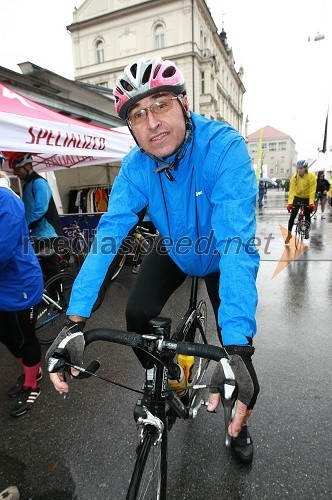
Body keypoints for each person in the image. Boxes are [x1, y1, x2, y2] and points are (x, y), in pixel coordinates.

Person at [47, 57, 260, 465]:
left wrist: (236, 345)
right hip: (175, 248)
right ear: (131, 127)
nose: (152, 123)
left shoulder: (223, 148)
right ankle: (171, 377)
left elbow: (237, 242)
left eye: (161, 104)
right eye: (138, 114)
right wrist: (72, 324)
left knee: (235, 351)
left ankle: (239, 416)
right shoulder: (135, 167)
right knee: (138, 314)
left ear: (183, 103)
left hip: (219, 253)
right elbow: (107, 240)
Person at [0, 162, 44, 417]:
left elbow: (2, 250)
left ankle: (32, 381)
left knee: (23, 336)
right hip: (4, 284)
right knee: (6, 335)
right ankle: (32, 369)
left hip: (20, 284)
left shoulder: (6, 199)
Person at [9, 153, 63, 281]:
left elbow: (41, 209)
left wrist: (27, 225)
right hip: (37, 234)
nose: (16, 174)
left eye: (18, 170)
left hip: (47, 233)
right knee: (41, 268)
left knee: (51, 269)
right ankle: (49, 295)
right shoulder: (28, 184)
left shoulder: (39, 183)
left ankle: (60, 298)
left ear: (27, 166)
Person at [285, 160, 317, 244]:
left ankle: (306, 232)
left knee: (307, 215)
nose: (299, 170)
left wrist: (311, 203)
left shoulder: (311, 176)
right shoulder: (294, 177)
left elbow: (312, 190)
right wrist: (290, 203)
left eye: (301, 168)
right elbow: (292, 191)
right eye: (298, 168)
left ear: (305, 168)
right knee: (292, 216)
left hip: (307, 197)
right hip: (297, 197)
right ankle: (289, 235)